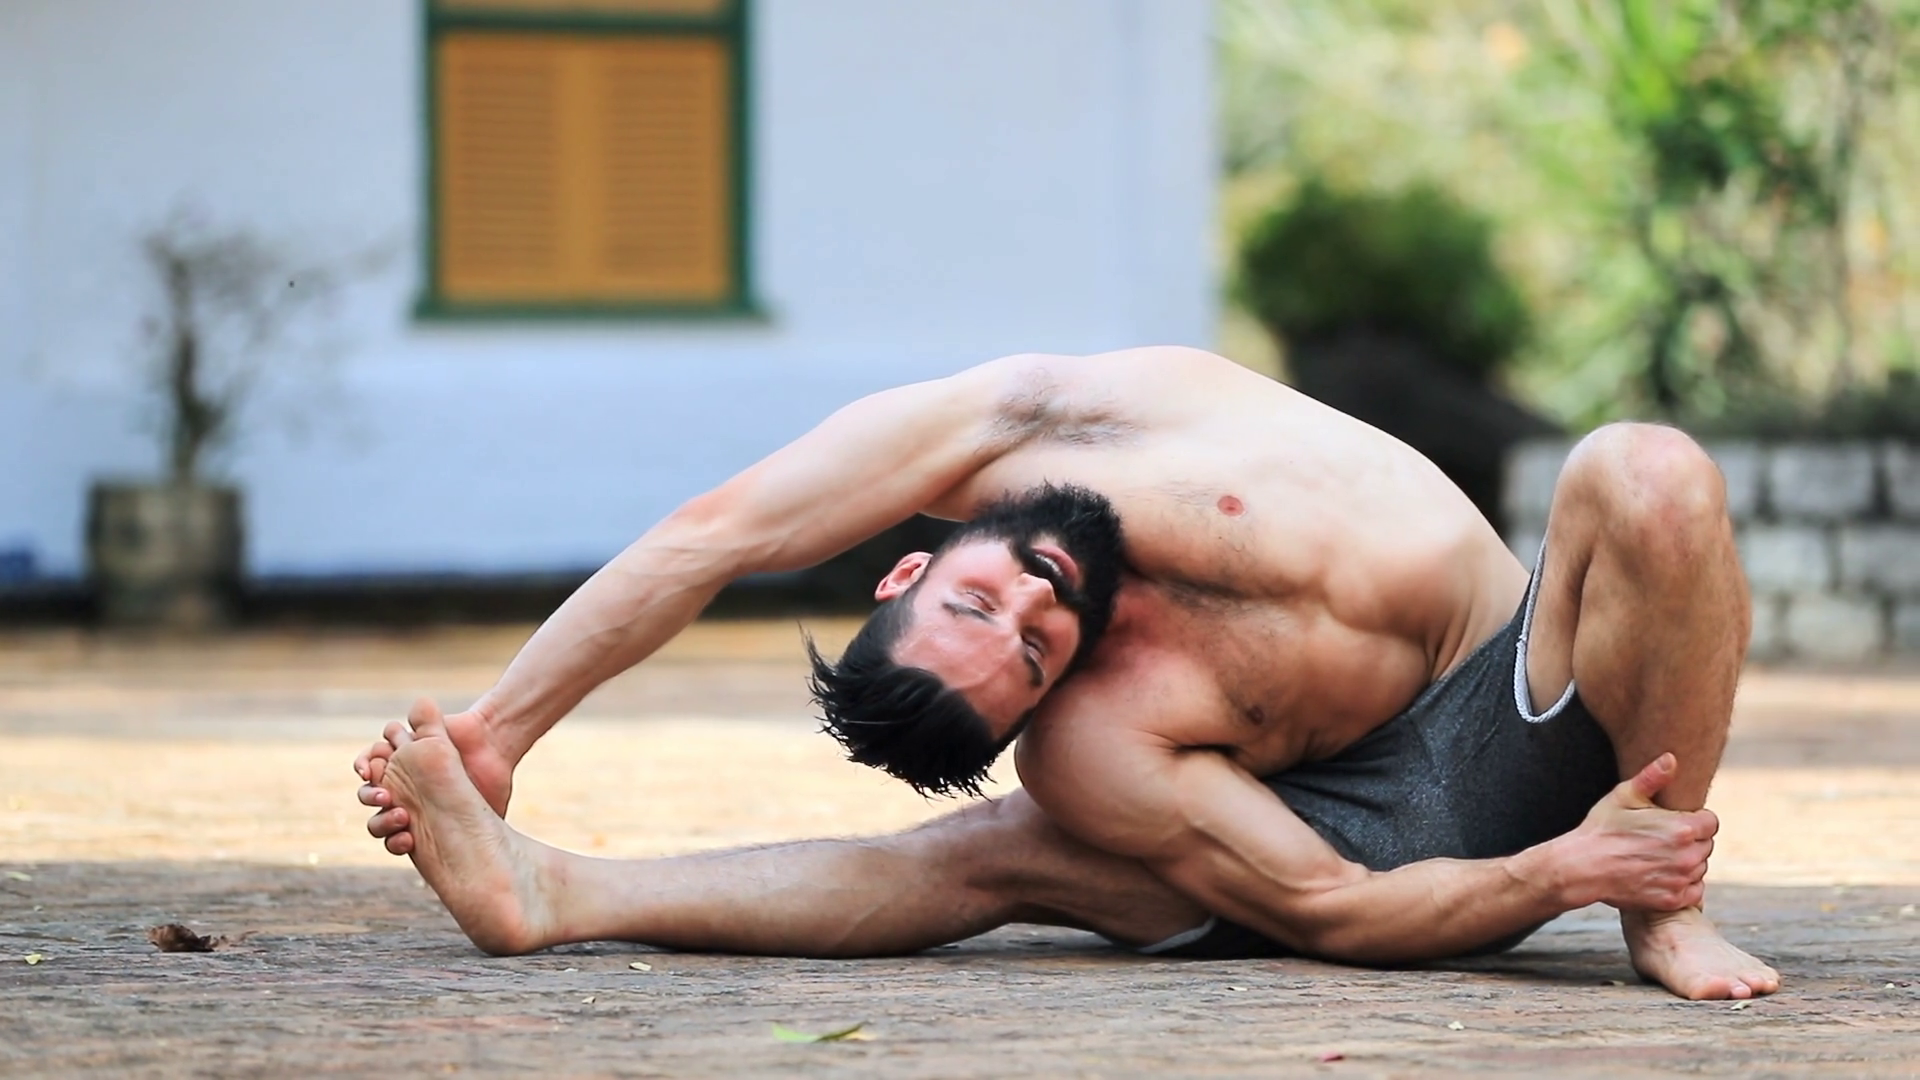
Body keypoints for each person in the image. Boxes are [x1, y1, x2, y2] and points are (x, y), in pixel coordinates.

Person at [355, 346, 1779, 1001]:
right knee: (1010, 845)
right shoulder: (1092, 739)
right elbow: (1331, 908)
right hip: (1387, 849)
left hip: (1505, 702)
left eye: (987, 595)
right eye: (1033, 652)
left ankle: (1667, 902)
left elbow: (713, 534)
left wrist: (500, 727)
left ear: (907, 567)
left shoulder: (1028, 417)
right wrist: (1547, 879)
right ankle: (551, 895)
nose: (1040, 595)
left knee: (1646, 471)